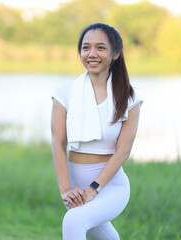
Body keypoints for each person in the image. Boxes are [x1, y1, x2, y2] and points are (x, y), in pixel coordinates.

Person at [50, 23, 143, 240]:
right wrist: (65, 190)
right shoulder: (65, 92)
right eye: (86, 48)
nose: (92, 54)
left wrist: (93, 188)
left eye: (100, 48)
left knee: (73, 221)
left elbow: (123, 151)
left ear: (116, 53)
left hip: (112, 187)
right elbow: (58, 143)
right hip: (74, 188)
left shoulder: (130, 97)